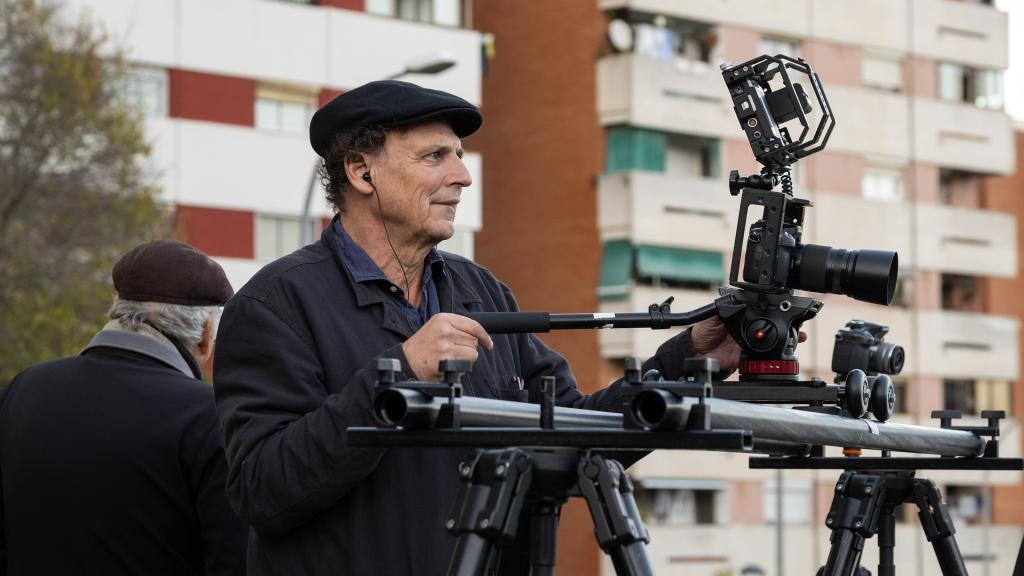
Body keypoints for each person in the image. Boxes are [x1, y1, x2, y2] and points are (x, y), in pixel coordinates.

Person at [212, 80, 741, 575]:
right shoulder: (275, 305)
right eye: (434, 156)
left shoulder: (481, 291)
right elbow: (262, 490)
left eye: (459, 156)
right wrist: (397, 375)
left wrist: (690, 361)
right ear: (361, 171)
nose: (462, 175)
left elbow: (579, 435)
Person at [0, 240, 247, 576]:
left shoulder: (24, 388)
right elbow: (232, 560)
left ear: (116, 306)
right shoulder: (210, 415)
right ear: (206, 334)